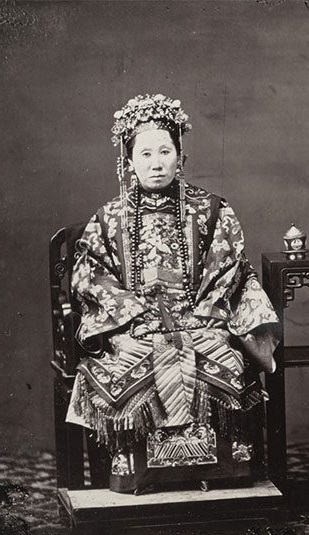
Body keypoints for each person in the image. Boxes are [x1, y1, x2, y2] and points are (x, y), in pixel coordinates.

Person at [66, 94, 279, 493]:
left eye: (165, 151)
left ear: (181, 155)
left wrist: (205, 323)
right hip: (132, 330)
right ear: (128, 160)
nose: (156, 162)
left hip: (203, 323)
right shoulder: (108, 218)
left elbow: (229, 270)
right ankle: (140, 474)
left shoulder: (213, 210)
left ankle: (220, 473)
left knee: (221, 361)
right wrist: (126, 328)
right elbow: (91, 278)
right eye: (145, 153)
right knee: (132, 365)